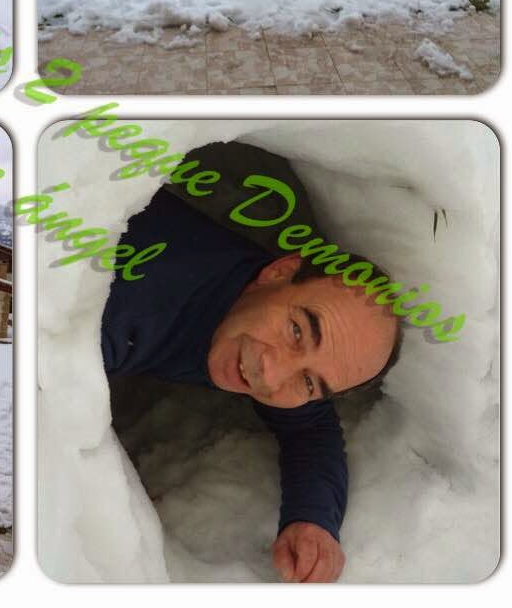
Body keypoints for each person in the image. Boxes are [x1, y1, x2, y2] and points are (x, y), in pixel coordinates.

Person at [101, 140, 403, 584]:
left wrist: (314, 520)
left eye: (311, 383)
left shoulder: (257, 320)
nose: (271, 375)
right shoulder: (124, 297)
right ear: (278, 272)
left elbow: (312, 429)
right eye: (298, 330)